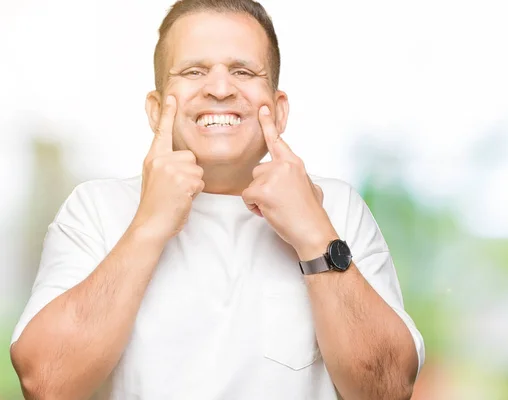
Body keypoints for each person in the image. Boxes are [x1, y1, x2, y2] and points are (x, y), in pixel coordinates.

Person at [9, 0, 425, 399]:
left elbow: (388, 391)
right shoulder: (95, 209)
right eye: (194, 71)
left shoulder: (337, 208)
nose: (221, 89)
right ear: (155, 111)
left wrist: (313, 234)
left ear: (279, 111)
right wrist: (149, 226)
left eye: (243, 71)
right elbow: (46, 384)